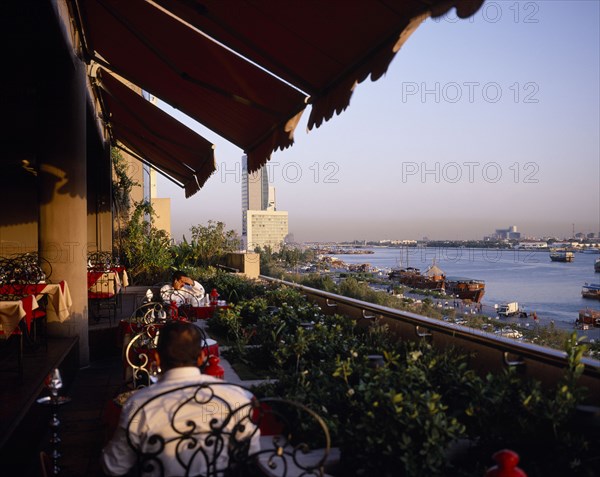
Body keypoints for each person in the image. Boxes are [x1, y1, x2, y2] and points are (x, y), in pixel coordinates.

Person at [101, 321, 260, 476]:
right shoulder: (235, 397)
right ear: (202, 357)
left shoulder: (139, 404)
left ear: (156, 358)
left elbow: (114, 466)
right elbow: (250, 452)